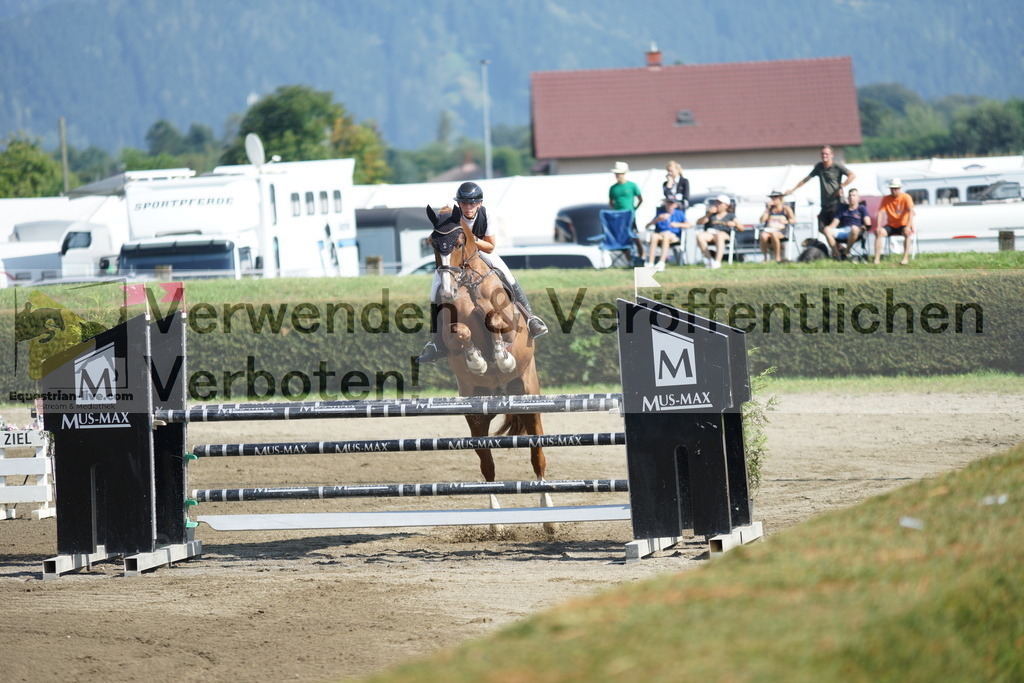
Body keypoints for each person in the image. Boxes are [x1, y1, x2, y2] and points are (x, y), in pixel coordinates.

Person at [416, 181, 548, 364]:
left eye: (472, 203)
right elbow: (439, 235)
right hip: (456, 259)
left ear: (479, 203)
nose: (468, 207)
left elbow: (490, 246)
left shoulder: (487, 216)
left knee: (506, 273)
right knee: (435, 289)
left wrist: (471, 239)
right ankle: (435, 342)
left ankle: (530, 318)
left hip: (480, 253)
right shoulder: (454, 217)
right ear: (459, 204)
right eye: (464, 203)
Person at [784, 145, 856, 232]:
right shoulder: (819, 166)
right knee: (821, 228)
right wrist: (793, 189)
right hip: (825, 204)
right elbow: (806, 179)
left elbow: (852, 175)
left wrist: (841, 186)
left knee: (835, 229)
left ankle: (837, 244)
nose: (824, 156)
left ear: (832, 155)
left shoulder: (837, 166)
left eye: (826, 154)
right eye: (822, 154)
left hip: (836, 203)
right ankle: (836, 245)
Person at [874, 178, 915, 265]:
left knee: (907, 233)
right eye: (892, 188)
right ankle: (876, 259)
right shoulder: (886, 199)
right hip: (891, 225)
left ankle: (905, 258)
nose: (894, 190)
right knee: (879, 233)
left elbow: (911, 211)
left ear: (899, 188)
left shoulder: (906, 197)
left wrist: (908, 225)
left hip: (903, 224)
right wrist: (878, 226)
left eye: (896, 188)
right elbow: (880, 212)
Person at [695, 194, 743, 269]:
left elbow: (741, 228)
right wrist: (708, 214)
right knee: (700, 236)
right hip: (711, 234)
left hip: (723, 234)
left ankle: (717, 261)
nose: (717, 205)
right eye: (717, 203)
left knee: (719, 235)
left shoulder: (731, 216)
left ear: (726, 205)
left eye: (720, 203)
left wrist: (734, 224)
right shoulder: (711, 215)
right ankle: (709, 260)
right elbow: (698, 222)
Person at [608, 161, 644, 258]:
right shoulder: (613, 188)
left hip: (629, 215)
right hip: (619, 216)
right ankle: (629, 259)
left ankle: (642, 256)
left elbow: (640, 199)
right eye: (616, 173)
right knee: (623, 237)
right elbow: (611, 202)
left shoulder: (632, 186)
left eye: (619, 173)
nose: (617, 175)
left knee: (634, 235)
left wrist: (634, 209)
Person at [823, 188, 871, 260]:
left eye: (854, 195)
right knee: (827, 230)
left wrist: (861, 228)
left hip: (857, 231)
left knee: (854, 228)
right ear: (847, 197)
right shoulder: (842, 209)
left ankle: (846, 252)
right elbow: (834, 224)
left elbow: (868, 223)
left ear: (858, 198)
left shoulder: (862, 208)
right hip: (843, 230)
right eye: (850, 195)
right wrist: (827, 228)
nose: (851, 197)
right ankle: (838, 255)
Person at [644, 198, 690, 270]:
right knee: (654, 236)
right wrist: (657, 220)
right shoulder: (660, 214)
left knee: (666, 235)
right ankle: (650, 262)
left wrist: (677, 225)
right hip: (660, 235)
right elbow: (647, 226)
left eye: (671, 203)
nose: (669, 205)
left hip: (673, 236)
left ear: (675, 205)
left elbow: (689, 225)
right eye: (668, 203)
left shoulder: (679, 213)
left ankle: (661, 262)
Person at [759, 189, 795, 263]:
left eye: (775, 197)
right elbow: (762, 220)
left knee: (774, 234)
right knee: (763, 235)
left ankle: (777, 257)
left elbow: (794, 220)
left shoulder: (785, 209)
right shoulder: (769, 210)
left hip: (781, 231)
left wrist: (786, 221)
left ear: (780, 198)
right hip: (769, 229)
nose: (773, 199)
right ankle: (765, 258)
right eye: (772, 198)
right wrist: (767, 209)